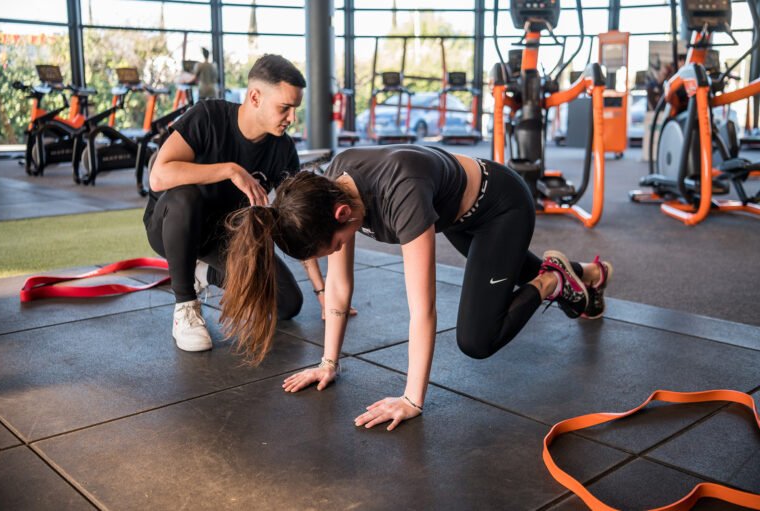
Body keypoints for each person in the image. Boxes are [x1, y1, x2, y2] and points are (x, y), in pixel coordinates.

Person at [221, 145, 612, 429]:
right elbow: (339, 286)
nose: (340, 250)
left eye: (337, 244)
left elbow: (422, 310)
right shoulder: (331, 187)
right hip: (458, 217)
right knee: (514, 276)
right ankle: (588, 276)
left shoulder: (401, 193)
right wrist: (328, 362)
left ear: (342, 214)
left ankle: (552, 280)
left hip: (501, 208)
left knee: (477, 340)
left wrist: (411, 399)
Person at [144, 54, 334, 353]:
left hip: (224, 238)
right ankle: (185, 306)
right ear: (255, 97)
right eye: (285, 108)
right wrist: (230, 169)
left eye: (296, 109)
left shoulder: (283, 150)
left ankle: (203, 273)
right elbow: (158, 176)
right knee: (186, 195)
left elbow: (299, 219)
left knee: (288, 303)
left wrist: (322, 293)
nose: (292, 118)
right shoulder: (208, 116)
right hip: (173, 225)